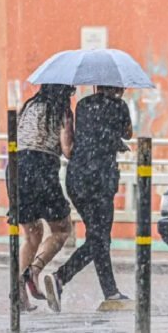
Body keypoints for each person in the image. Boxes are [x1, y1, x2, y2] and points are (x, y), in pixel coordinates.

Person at [44, 85, 133, 312]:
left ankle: (111, 292)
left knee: (98, 237)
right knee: (100, 238)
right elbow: (128, 132)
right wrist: (116, 137)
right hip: (99, 180)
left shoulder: (82, 104)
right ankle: (61, 277)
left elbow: (78, 138)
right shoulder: (119, 106)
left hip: (77, 178)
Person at [12, 84, 76, 311]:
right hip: (42, 169)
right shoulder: (62, 110)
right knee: (62, 229)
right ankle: (34, 271)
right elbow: (67, 149)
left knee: (32, 234)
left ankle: (19, 290)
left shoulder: (29, 106)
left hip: (16, 169)